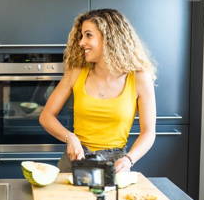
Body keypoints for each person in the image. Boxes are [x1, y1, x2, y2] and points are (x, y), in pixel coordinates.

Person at [39, 9, 156, 174]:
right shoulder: (76, 72)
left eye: (88, 35)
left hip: (115, 165)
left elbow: (149, 132)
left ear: (109, 38)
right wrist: (70, 138)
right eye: (81, 36)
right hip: (75, 162)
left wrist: (129, 159)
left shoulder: (139, 78)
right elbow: (46, 116)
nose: (81, 43)